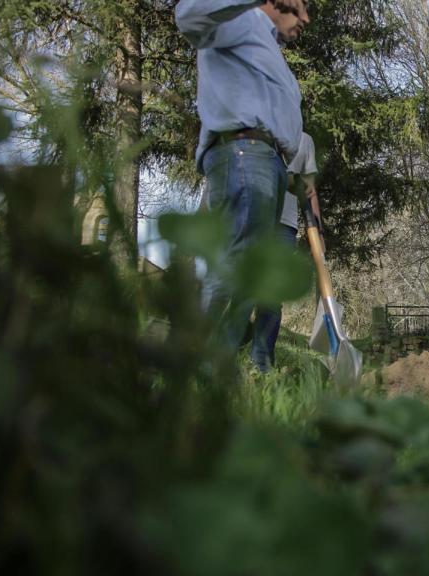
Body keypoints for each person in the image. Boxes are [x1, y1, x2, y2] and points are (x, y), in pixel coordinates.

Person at [175, 0, 309, 367]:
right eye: (300, 7)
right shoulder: (242, 20)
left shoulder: (266, 45)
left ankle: (215, 374)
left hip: (267, 163)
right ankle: (191, 367)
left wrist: (291, 175)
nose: (306, 19)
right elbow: (189, 16)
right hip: (243, 153)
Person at [250, 131, 319, 372]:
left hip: (285, 225)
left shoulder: (304, 141)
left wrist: (317, 231)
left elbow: (310, 190)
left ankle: (260, 365)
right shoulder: (257, 128)